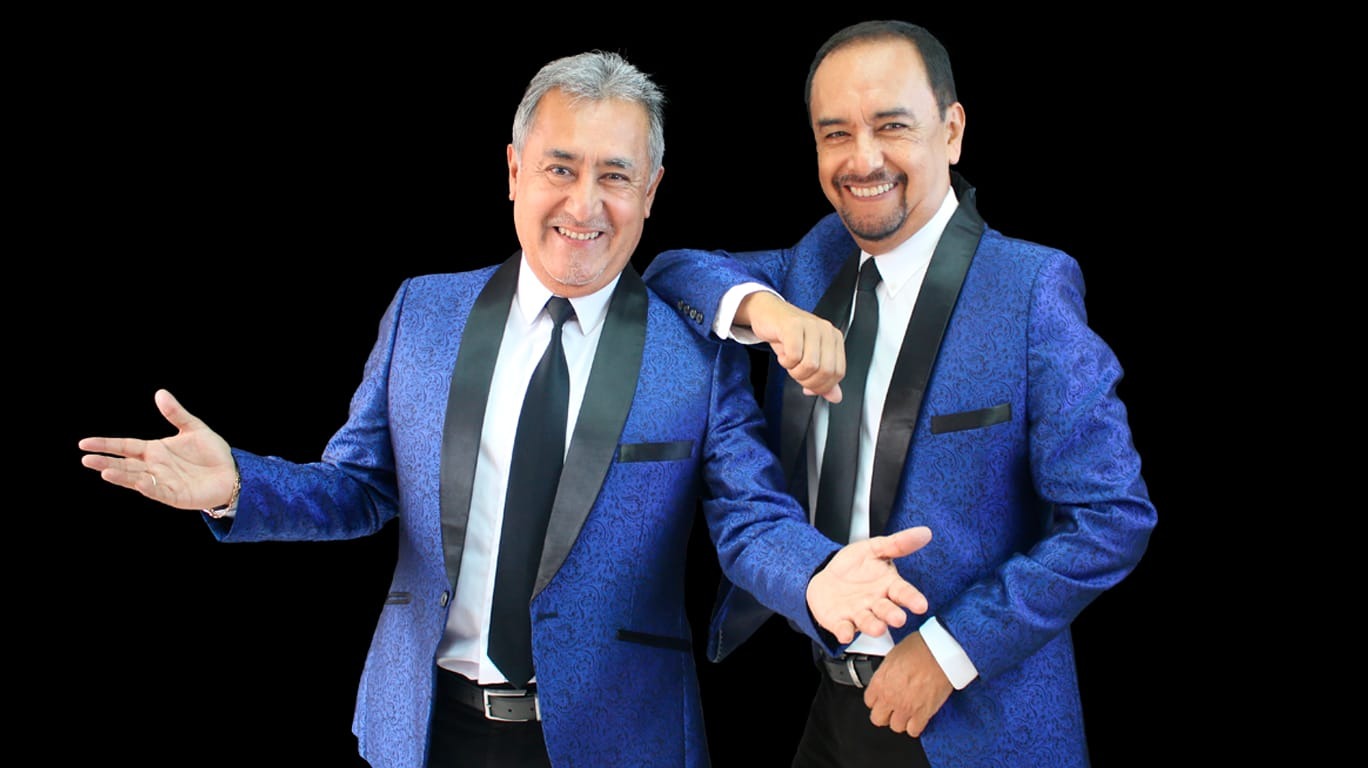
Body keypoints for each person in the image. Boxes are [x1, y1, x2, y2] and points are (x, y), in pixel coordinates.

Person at [77, 50, 936, 768]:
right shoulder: (423, 312)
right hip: (423, 727)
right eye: (561, 168)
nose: (585, 205)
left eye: (615, 176)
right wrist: (239, 486)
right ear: (516, 171)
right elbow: (359, 489)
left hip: (616, 736)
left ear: (651, 191)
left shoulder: (697, 352)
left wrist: (817, 575)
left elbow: (750, 520)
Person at [641, 20, 1158, 768]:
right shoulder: (814, 261)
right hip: (832, 704)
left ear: (952, 131)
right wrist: (767, 311)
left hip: (979, 726)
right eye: (835, 134)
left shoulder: (1030, 288)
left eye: (891, 126)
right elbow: (673, 271)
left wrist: (950, 651)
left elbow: (1112, 515)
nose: (863, 159)